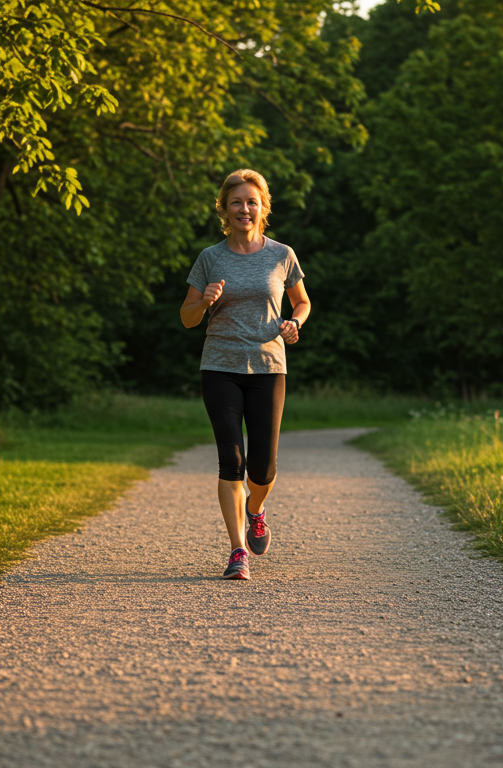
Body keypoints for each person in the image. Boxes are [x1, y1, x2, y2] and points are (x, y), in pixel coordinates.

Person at [179, 169, 311, 580]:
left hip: (269, 367)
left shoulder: (282, 254)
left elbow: (302, 302)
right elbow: (186, 318)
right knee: (230, 460)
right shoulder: (210, 258)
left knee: (263, 469)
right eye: (236, 201)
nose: (244, 208)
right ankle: (238, 550)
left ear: (262, 208)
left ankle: (256, 509)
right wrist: (203, 301)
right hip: (220, 366)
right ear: (224, 208)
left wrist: (295, 323)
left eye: (251, 201)